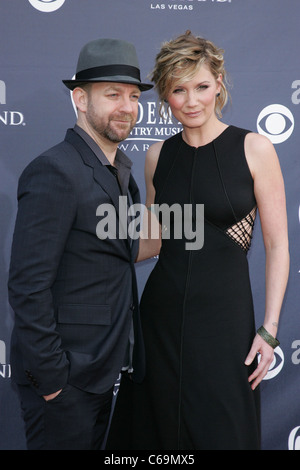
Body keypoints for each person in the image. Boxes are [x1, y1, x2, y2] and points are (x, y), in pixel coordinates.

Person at [106, 31, 289, 450]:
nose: (191, 101)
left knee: (222, 430)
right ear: (165, 95)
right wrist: (94, 251)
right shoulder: (158, 156)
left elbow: (278, 246)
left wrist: (270, 329)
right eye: (178, 90)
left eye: (202, 86)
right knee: (155, 432)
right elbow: (153, 241)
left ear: (219, 83)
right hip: (160, 320)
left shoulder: (254, 148)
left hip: (225, 322)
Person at [7, 38, 152, 450]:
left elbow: (116, 257)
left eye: (132, 95)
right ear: (79, 99)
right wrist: (52, 381)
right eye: (112, 94)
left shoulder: (122, 173)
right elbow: (27, 286)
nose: (126, 106)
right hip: (65, 382)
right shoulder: (55, 170)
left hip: (103, 374)